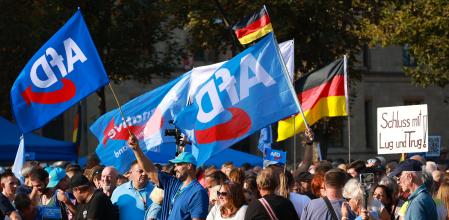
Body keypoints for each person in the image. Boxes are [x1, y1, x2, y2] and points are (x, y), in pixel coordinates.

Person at [128, 135, 209, 220]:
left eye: (179, 164)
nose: (175, 168)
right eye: (175, 165)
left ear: (189, 166)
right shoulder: (172, 183)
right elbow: (150, 170)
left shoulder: (198, 192)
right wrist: (136, 149)